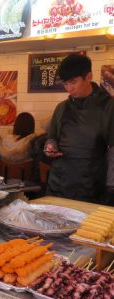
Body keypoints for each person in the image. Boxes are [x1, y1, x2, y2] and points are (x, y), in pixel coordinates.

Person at [44, 54, 114, 203]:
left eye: (73, 82)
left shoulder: (108, 106)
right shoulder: (62, 107)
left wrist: (111, 187)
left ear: (88, 77)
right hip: (59, 181)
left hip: (90, 183)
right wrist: (50, 146)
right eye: (65, 84)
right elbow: (52, 137)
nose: (69, 88)